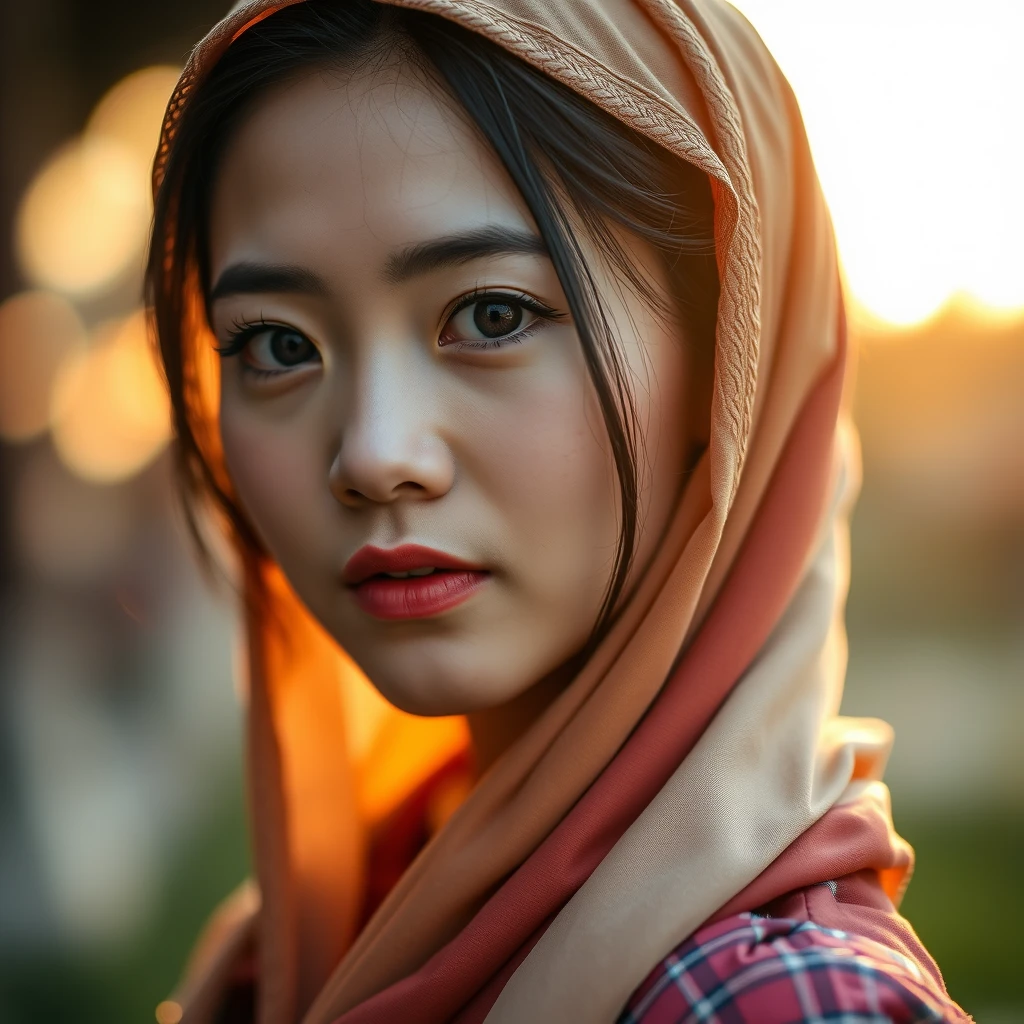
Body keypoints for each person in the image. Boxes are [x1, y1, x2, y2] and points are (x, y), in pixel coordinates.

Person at [146, 0, 971, 1021]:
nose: (372, 455)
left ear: (726, 358)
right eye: (275, 343)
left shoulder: (772, 1002)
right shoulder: (317, 934)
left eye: (492, 314)